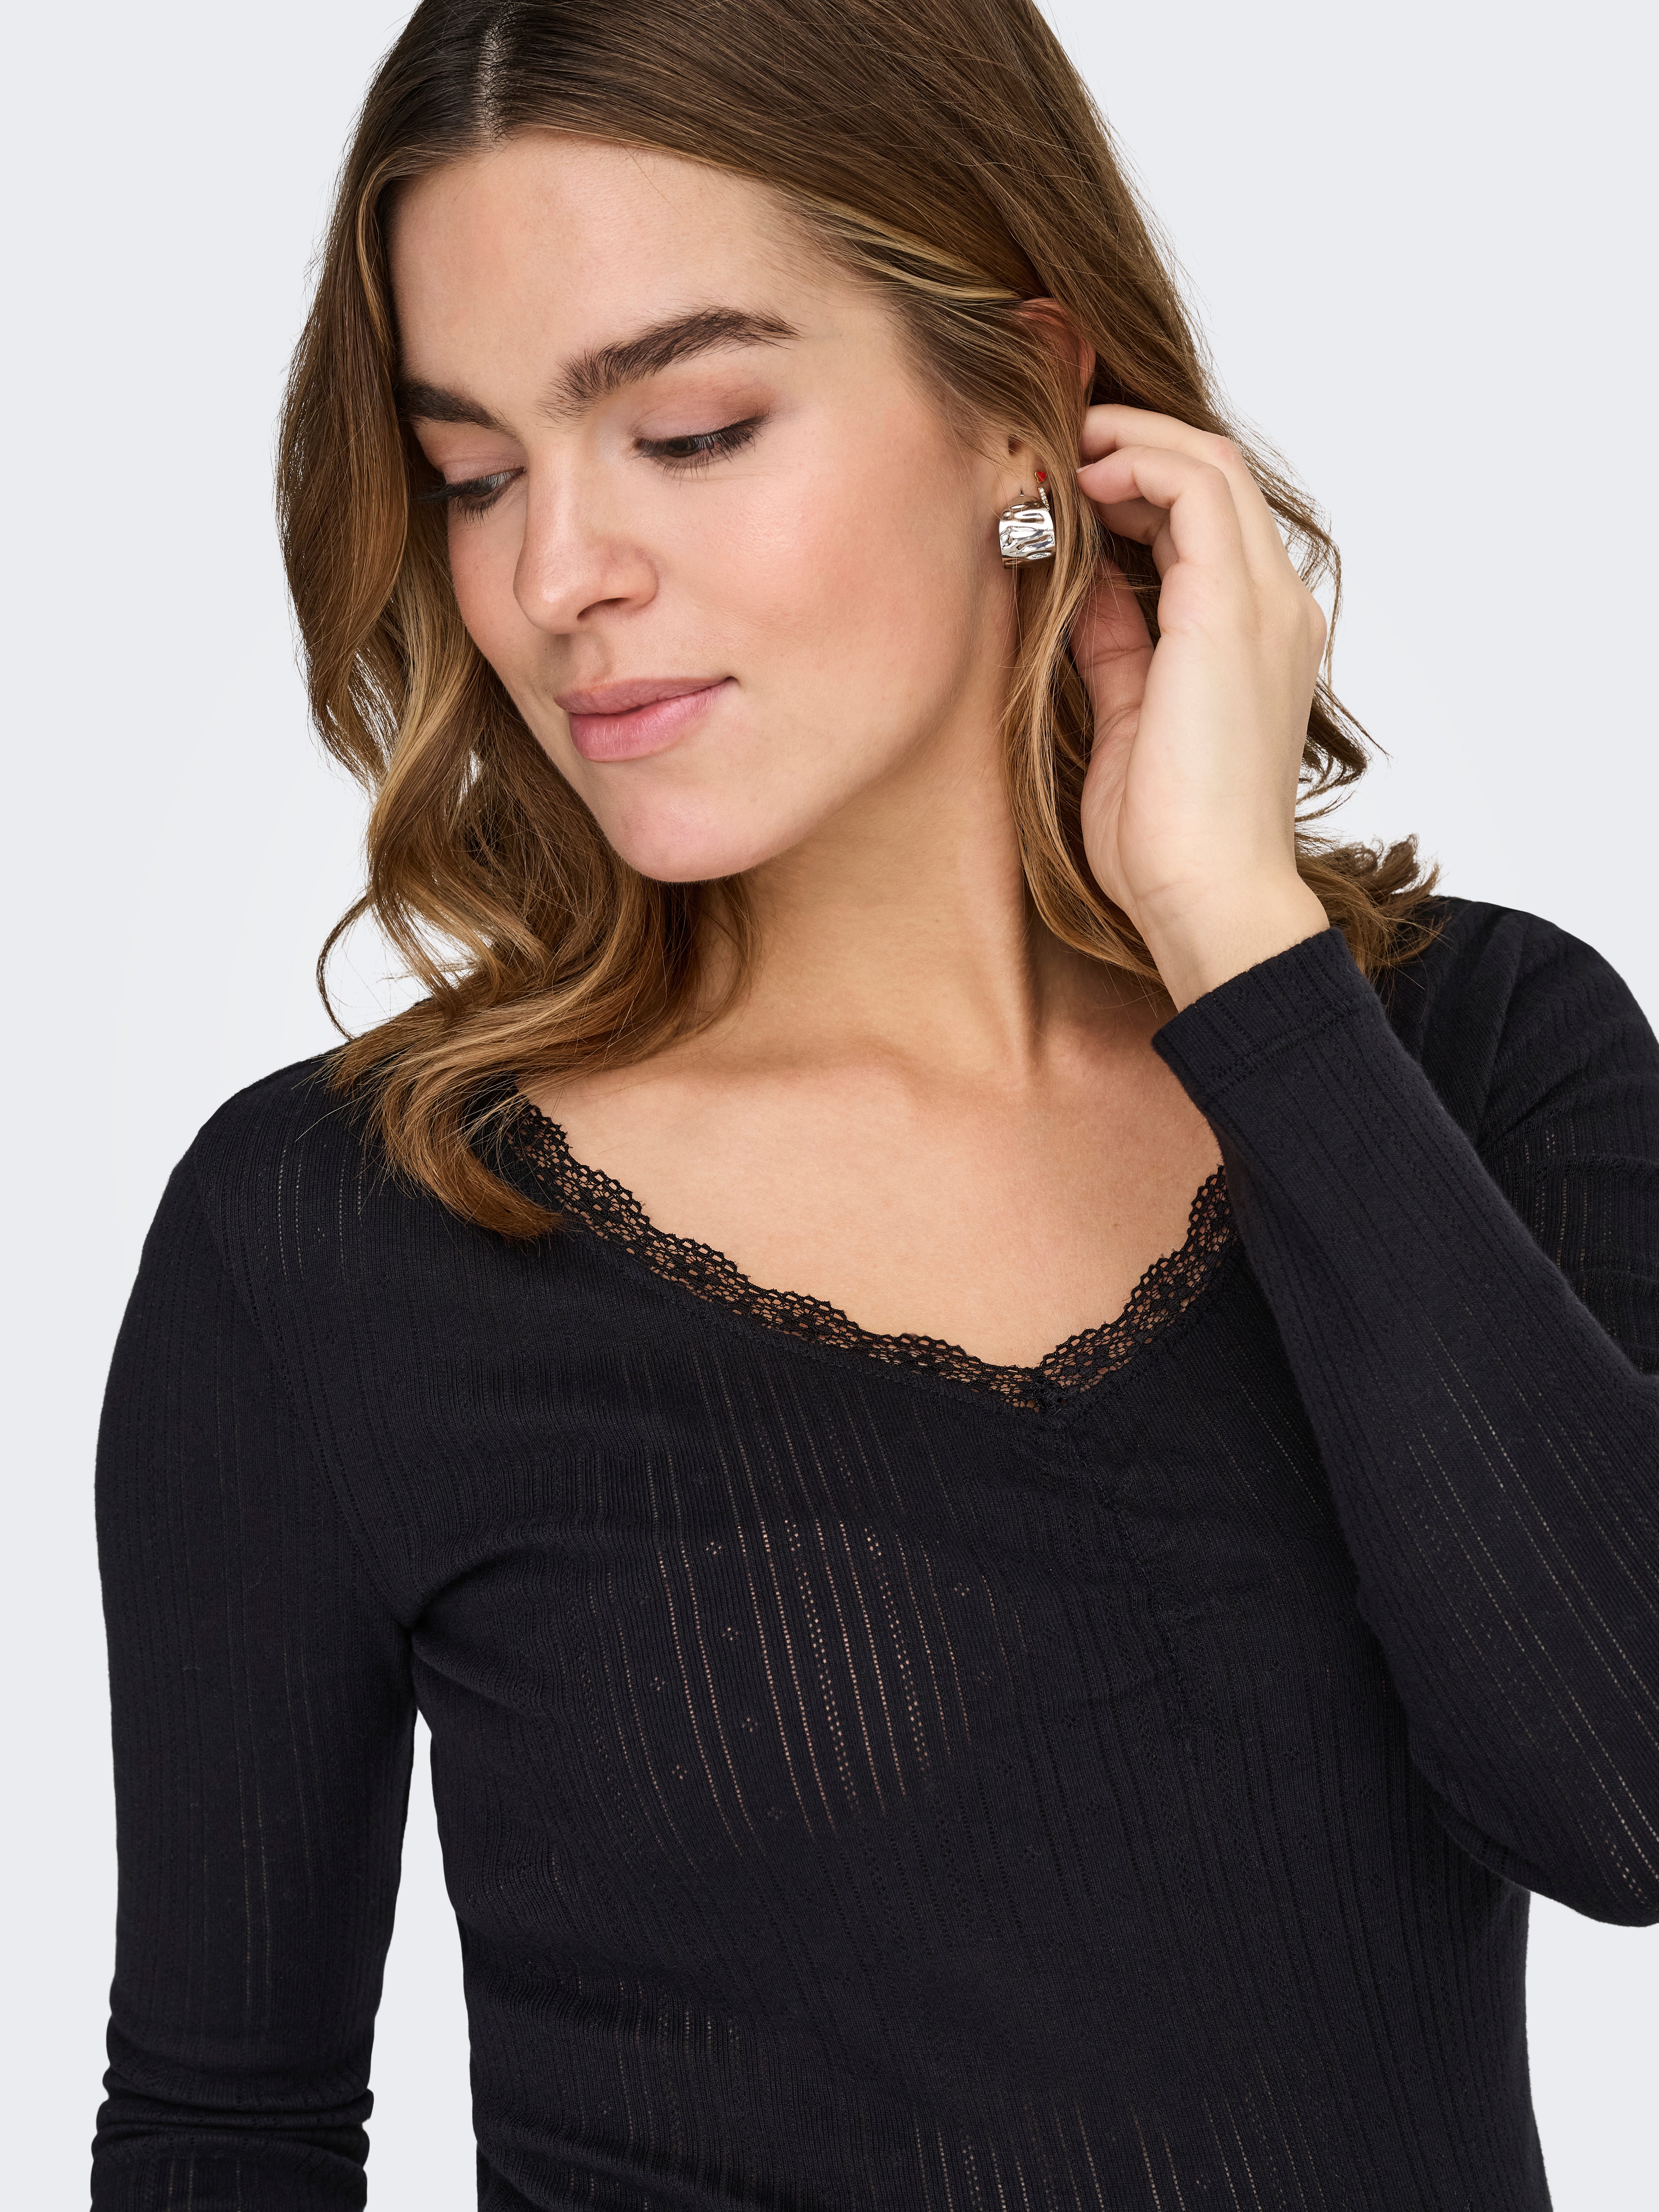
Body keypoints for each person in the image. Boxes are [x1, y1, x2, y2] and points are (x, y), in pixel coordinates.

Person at [91, 1, 1659, 2206]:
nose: (553, 578)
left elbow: (1625, 1801)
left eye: (691, 430)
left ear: (1022, 403)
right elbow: (224, 2131)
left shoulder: (1471, 1056)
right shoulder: (340, 1228)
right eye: (474, 475)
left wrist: (1238, 950)